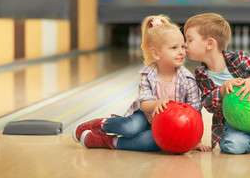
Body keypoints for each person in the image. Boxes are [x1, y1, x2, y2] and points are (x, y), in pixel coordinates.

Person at [73, 15, 211, 152]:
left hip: (166, 125)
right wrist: (157, 103)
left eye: (182, 46)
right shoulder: (148, 74)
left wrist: (195, 141)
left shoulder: (187, 79)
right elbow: (144, 104)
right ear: (156, 54)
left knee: (152, 142)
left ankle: (109, 142)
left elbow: (195, 111)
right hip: (145, 116)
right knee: (131, 128)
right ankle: (100, 125)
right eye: (174, 48)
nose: (181, 52)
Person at [183, 13, 250, 154]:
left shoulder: (239, 59)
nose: (184, 44)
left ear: (210, 43)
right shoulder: (201, 74)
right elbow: (208, 104)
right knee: (233, 147)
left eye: (189, 40)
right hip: (234, 124)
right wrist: (222, 89)